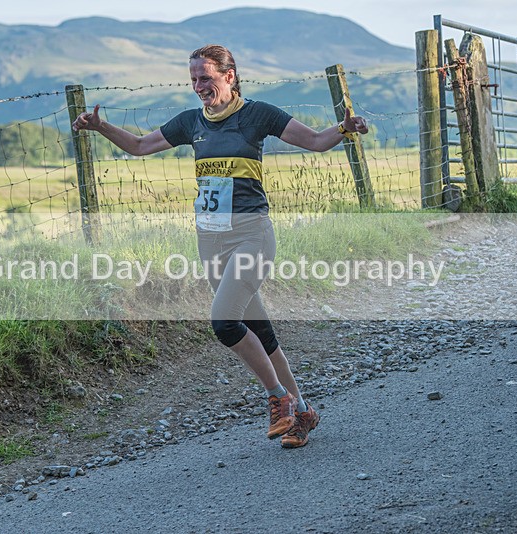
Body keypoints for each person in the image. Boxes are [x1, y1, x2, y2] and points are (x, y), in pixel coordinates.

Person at [73, 44, 368, 448]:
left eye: (206, 78)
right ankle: (303, 413)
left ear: (229, 76)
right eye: (193, 79)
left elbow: (316, 141)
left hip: (252, 235)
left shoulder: (257, 114)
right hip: (210, 241)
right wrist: (99, 127)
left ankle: (279, 399)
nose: (198, 87)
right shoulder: (191, 122)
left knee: (225, 322)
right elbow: (141, 146)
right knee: (261, 334)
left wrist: (344, 128)